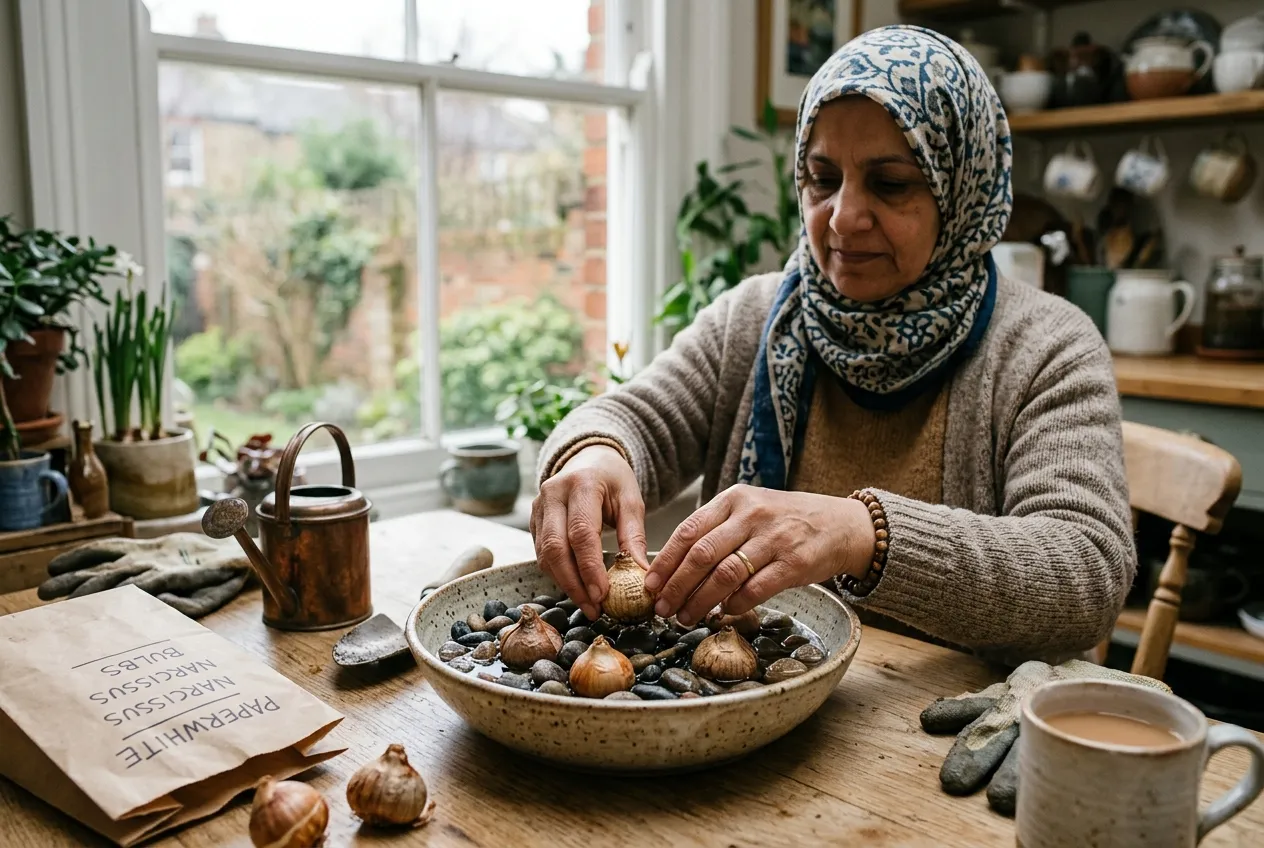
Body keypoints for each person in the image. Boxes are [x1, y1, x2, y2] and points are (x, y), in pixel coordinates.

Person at [529, 25, 1134, 663]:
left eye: (892, 183)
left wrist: (861, 533)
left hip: (936, 737)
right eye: (822, 178)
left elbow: (1085, 570)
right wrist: (591, 455)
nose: (843, 217)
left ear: (963, 191)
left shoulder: (1047, 348)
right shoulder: (753, 317)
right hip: (755, 718)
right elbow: (631, 419)